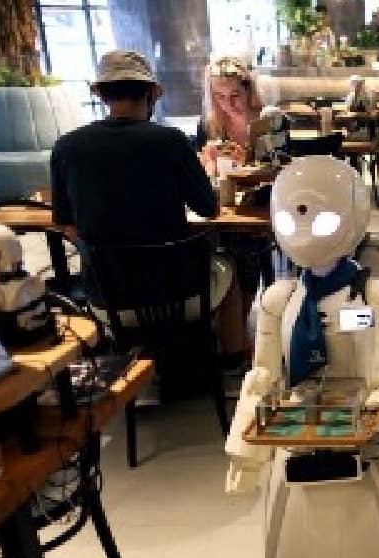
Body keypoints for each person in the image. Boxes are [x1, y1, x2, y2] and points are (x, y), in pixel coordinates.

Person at [50, 50, 246, 356]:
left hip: (107, 299)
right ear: (152, 92)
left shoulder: (66, 147)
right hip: (178, 292)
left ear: (101, 94)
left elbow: (65, 224)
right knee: (229, 267)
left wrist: (101, 254)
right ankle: (234, 359)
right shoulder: (170, 141)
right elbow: (209, 209)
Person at [196, 56, 263, 176]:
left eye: (235, 95)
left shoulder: (267, 120)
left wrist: (246, 165)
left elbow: (280, 171)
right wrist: (209, 164)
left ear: (248, 90)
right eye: (220, 96)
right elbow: (200, 176)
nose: (229, 104)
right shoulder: (207, 125)